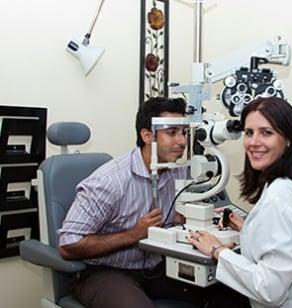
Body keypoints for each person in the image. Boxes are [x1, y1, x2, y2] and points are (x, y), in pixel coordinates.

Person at [188, 97, 292, 307]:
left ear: (288, 139)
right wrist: (250, 230)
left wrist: (217, 251)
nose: (253, 142)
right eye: (249, 132)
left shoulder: (278, 197)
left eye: (266, 132)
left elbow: (270, 289)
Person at [58, 97, 211, 308]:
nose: (182, 141)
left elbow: (175, 215)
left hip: (156, 268)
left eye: (184, 132)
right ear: (147, 135)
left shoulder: (178, 170)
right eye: (172, 132)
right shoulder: (109, 181)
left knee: (225, 289)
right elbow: (69, 245)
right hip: (106, 273)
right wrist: (134, 235)